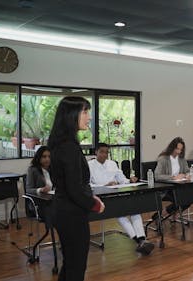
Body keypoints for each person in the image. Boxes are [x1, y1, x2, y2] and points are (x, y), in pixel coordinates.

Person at [48, 96, 105, 281]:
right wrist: (94, 204)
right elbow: (74, 188)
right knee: (76, 267)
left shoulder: (61, 143)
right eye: (85, 112)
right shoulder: (68, 147)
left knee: (70, 264)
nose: (89, 117)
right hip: (71, 214)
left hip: (64, 211)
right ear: (71, 115)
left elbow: (71, 184)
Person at [88, 143, 154, 256]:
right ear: (96, 152)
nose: (104, 155)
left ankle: (142, 239)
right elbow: (88, 184)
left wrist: (130, 180)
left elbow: (122, 179)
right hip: (102, 198)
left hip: (116, 193)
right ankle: (140, 241)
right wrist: (105, 185)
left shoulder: (112, 164)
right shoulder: (89, 165)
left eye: (106, 152)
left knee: (135, 211)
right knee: (121, 214)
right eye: (102, 152)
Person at [153, 137, 191, 220]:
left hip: (180, 187)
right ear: (172, 147)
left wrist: (187, 175)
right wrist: (173, 177)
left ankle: (166, 213)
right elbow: (157, 176)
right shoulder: (163, 159)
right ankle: (161, 215)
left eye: (181, 149)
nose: (178, 152)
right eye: (177, 149)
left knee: (189, 199)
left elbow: (188, 171)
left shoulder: (182, 159)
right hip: (166, 189)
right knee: (182, 199)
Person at [25, 146, 54, 222]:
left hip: (53, 200)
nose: (47, 159)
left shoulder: (53, 169)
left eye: (49, 157)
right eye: (44, 156)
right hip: (39, 203)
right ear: (39, 157)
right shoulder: (32, 170)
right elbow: (28, 190)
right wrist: (40, 190)